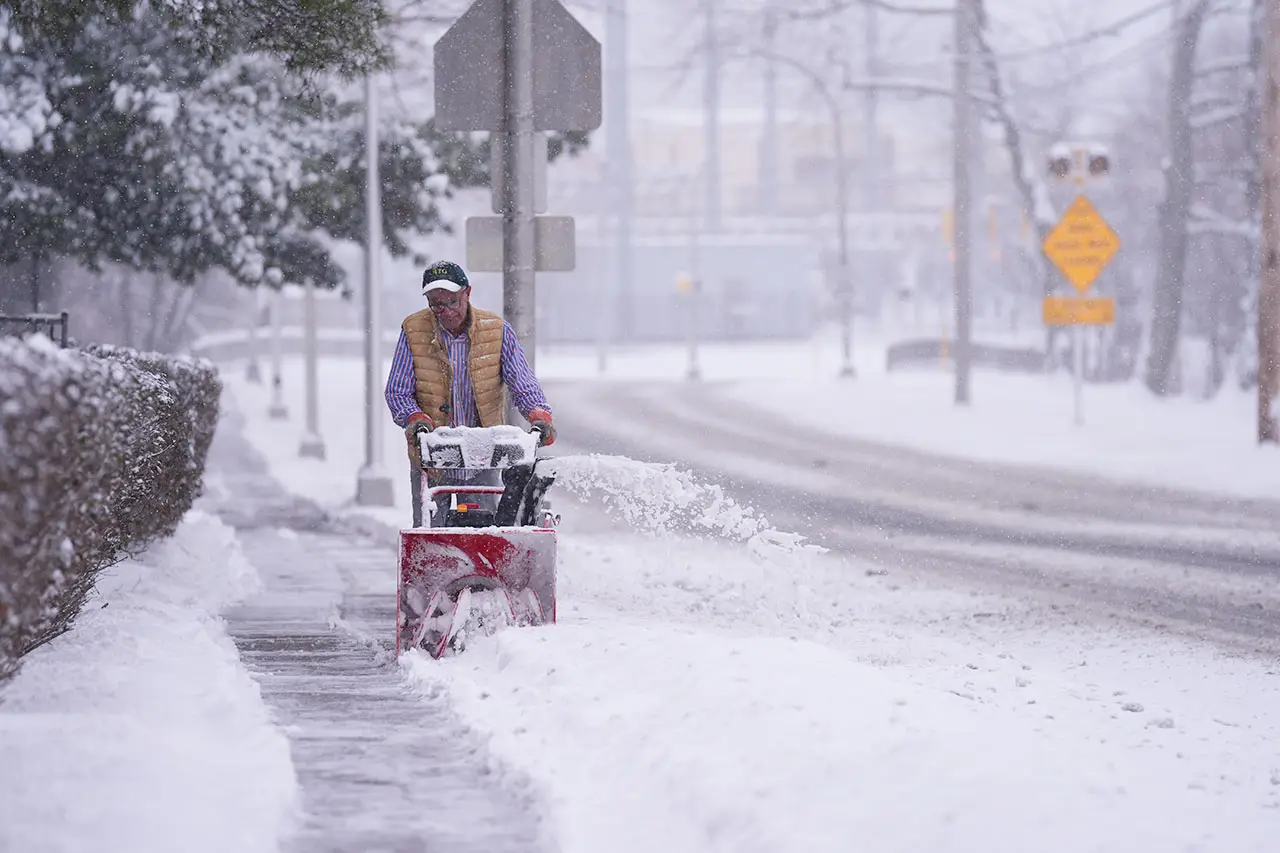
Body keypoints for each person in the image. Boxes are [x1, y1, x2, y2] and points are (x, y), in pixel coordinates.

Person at [384, 260, 555, 525]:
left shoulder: (496, 331)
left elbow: (522, 382)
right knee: (430, 532)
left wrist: (538, 415)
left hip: (483, 452)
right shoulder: (413, 331)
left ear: (467, 293)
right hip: (432, 452)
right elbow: (398, 391)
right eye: (436, 304)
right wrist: (413, 418)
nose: (445, 311)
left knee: (483, 529)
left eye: (451, 302)